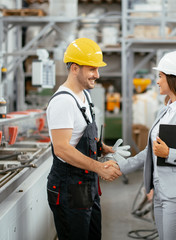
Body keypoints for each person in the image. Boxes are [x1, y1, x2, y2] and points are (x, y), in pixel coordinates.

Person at [117, 51, 176, 240]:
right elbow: (150, 152)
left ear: (174, 79)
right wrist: (120, 167)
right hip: (160, 192)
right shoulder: (165, 111)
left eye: (160, 76)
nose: (157, 81)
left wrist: (169, 153)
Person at [46, 38, 122, 240]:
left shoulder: (85, 96)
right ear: (74, 68)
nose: (97, 75)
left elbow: (80, 135)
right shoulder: (63, 101)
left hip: (85, 183)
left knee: (92, 234)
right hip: (69, 184)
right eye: (92, 69)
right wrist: (98, 167)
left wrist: (101, 147)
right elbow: (61, 149)